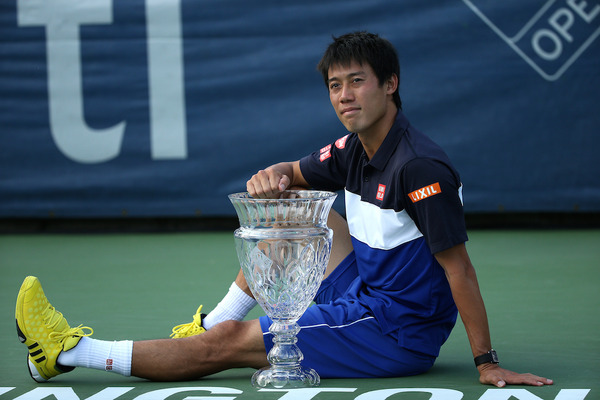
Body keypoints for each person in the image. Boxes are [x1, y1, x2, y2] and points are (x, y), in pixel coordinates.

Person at [16, 31, 553, 387]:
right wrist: (270, 179)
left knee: (225, 348)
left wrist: (485, 362)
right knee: (294, 206)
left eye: (357, 81)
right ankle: (212, 321)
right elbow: (292, 175)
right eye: (335, 86)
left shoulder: (419, 169)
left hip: (394, 330)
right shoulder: (353, 150)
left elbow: (458, 269)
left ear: (390, 85)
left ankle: (65, 352)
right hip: (367, 285)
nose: (344, 96)